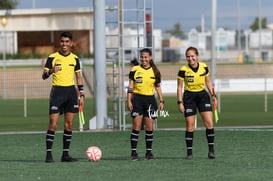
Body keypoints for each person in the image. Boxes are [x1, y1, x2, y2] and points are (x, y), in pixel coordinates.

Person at [42, 32, 85, 163]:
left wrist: (81, 94)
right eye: (62, 41)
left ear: (71, 43)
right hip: (57, 93)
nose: (64, 44)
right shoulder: (52, 57)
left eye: (67, 41)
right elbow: (44, 76)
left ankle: (65, 155)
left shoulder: (75, 59)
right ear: (59, 43)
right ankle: (49, 155)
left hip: (71, 93)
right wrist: (50, 71)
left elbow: (78, 77)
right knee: (53, 124)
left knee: (69, 124)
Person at [177, 46, 216, 160]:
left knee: (209, 123)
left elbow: (208, 82)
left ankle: (211, 151)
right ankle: (189, 152)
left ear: (197, 56)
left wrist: (213, 95)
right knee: (190, 125)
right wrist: (180, 102)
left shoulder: (204, 67)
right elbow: (179, 87)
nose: (190, 58)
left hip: (203, 96)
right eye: (188, 57)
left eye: (192, 56)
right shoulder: (183, 69)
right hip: (189, 97)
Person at [127, 48, 164, 161]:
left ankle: (149, 153)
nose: (143, 59)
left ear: (150, 57)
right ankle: (134, 153)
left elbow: (157, 87)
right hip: (137, 100)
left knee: (149, 128)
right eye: (142, 57)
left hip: (150, 101)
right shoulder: (135, 69)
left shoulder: (155, 71)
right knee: (136, 127)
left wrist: (161, 101)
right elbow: (130, 86)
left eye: (146, 57)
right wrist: (128, 100)